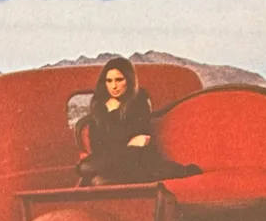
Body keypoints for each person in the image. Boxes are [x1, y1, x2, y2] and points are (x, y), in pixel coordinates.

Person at [76, 57, 200, 185]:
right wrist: (110, 116)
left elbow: (138, 141)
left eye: (119, 80)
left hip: (136, 159)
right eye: (109, 81)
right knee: (83, 167)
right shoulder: (99, 107)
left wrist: (114, 117)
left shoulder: (138, 101)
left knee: (95, 175)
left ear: (129, 80)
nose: (114, 86)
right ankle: (113, 179)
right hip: (113, 159)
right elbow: (98, 144)